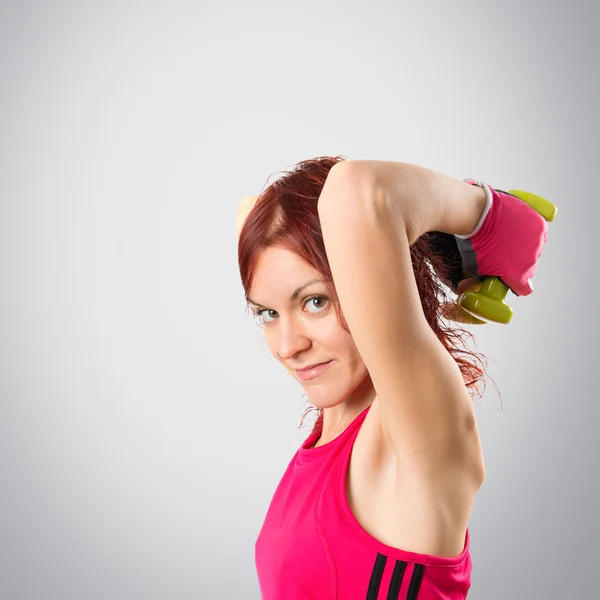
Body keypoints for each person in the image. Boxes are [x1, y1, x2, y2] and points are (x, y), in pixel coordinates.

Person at [236, 156, 548, 599]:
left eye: (315, 303)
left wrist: (486, 216)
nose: (287, 346)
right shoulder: (335, 429)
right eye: (268, 313)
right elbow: (252, 214)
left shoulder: (415, 434)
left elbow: (358, 190)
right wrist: (438, 241)